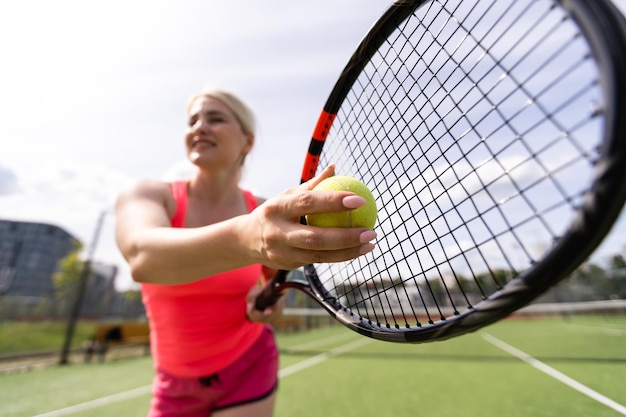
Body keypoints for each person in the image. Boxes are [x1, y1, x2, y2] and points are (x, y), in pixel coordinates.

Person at [114, 88, 377, 417]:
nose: (199, 127)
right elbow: (143, 258)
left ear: (247, 141)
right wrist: (246, 237)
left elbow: (269, 285)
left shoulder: (264, 213)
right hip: (173, 380)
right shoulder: (149, 194)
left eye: (215, 118)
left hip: (249, 363)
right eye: (193, 120)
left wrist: (270, 303)